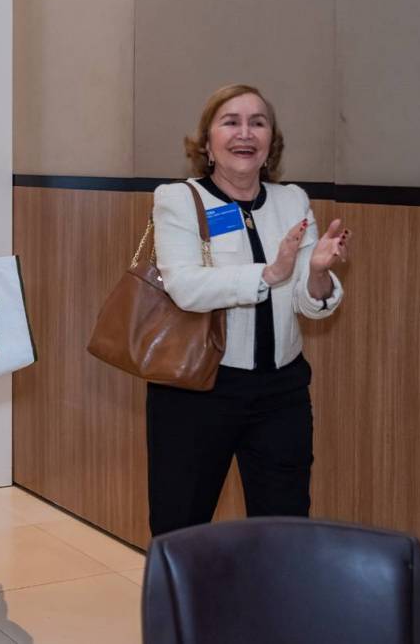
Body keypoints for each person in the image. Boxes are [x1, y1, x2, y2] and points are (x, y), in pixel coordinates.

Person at [147, 84, 352, 537]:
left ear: (270, 141)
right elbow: (185, 287)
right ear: (207, 142)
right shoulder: (180, 199)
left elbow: (308, 303)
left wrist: (317, 273)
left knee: (284, 528)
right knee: (181, 528)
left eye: (258, 123)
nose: (245, 133)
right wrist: (269, 273)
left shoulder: (291, 200)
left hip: (281, 391)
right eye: (231, 122)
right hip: (197, 388)